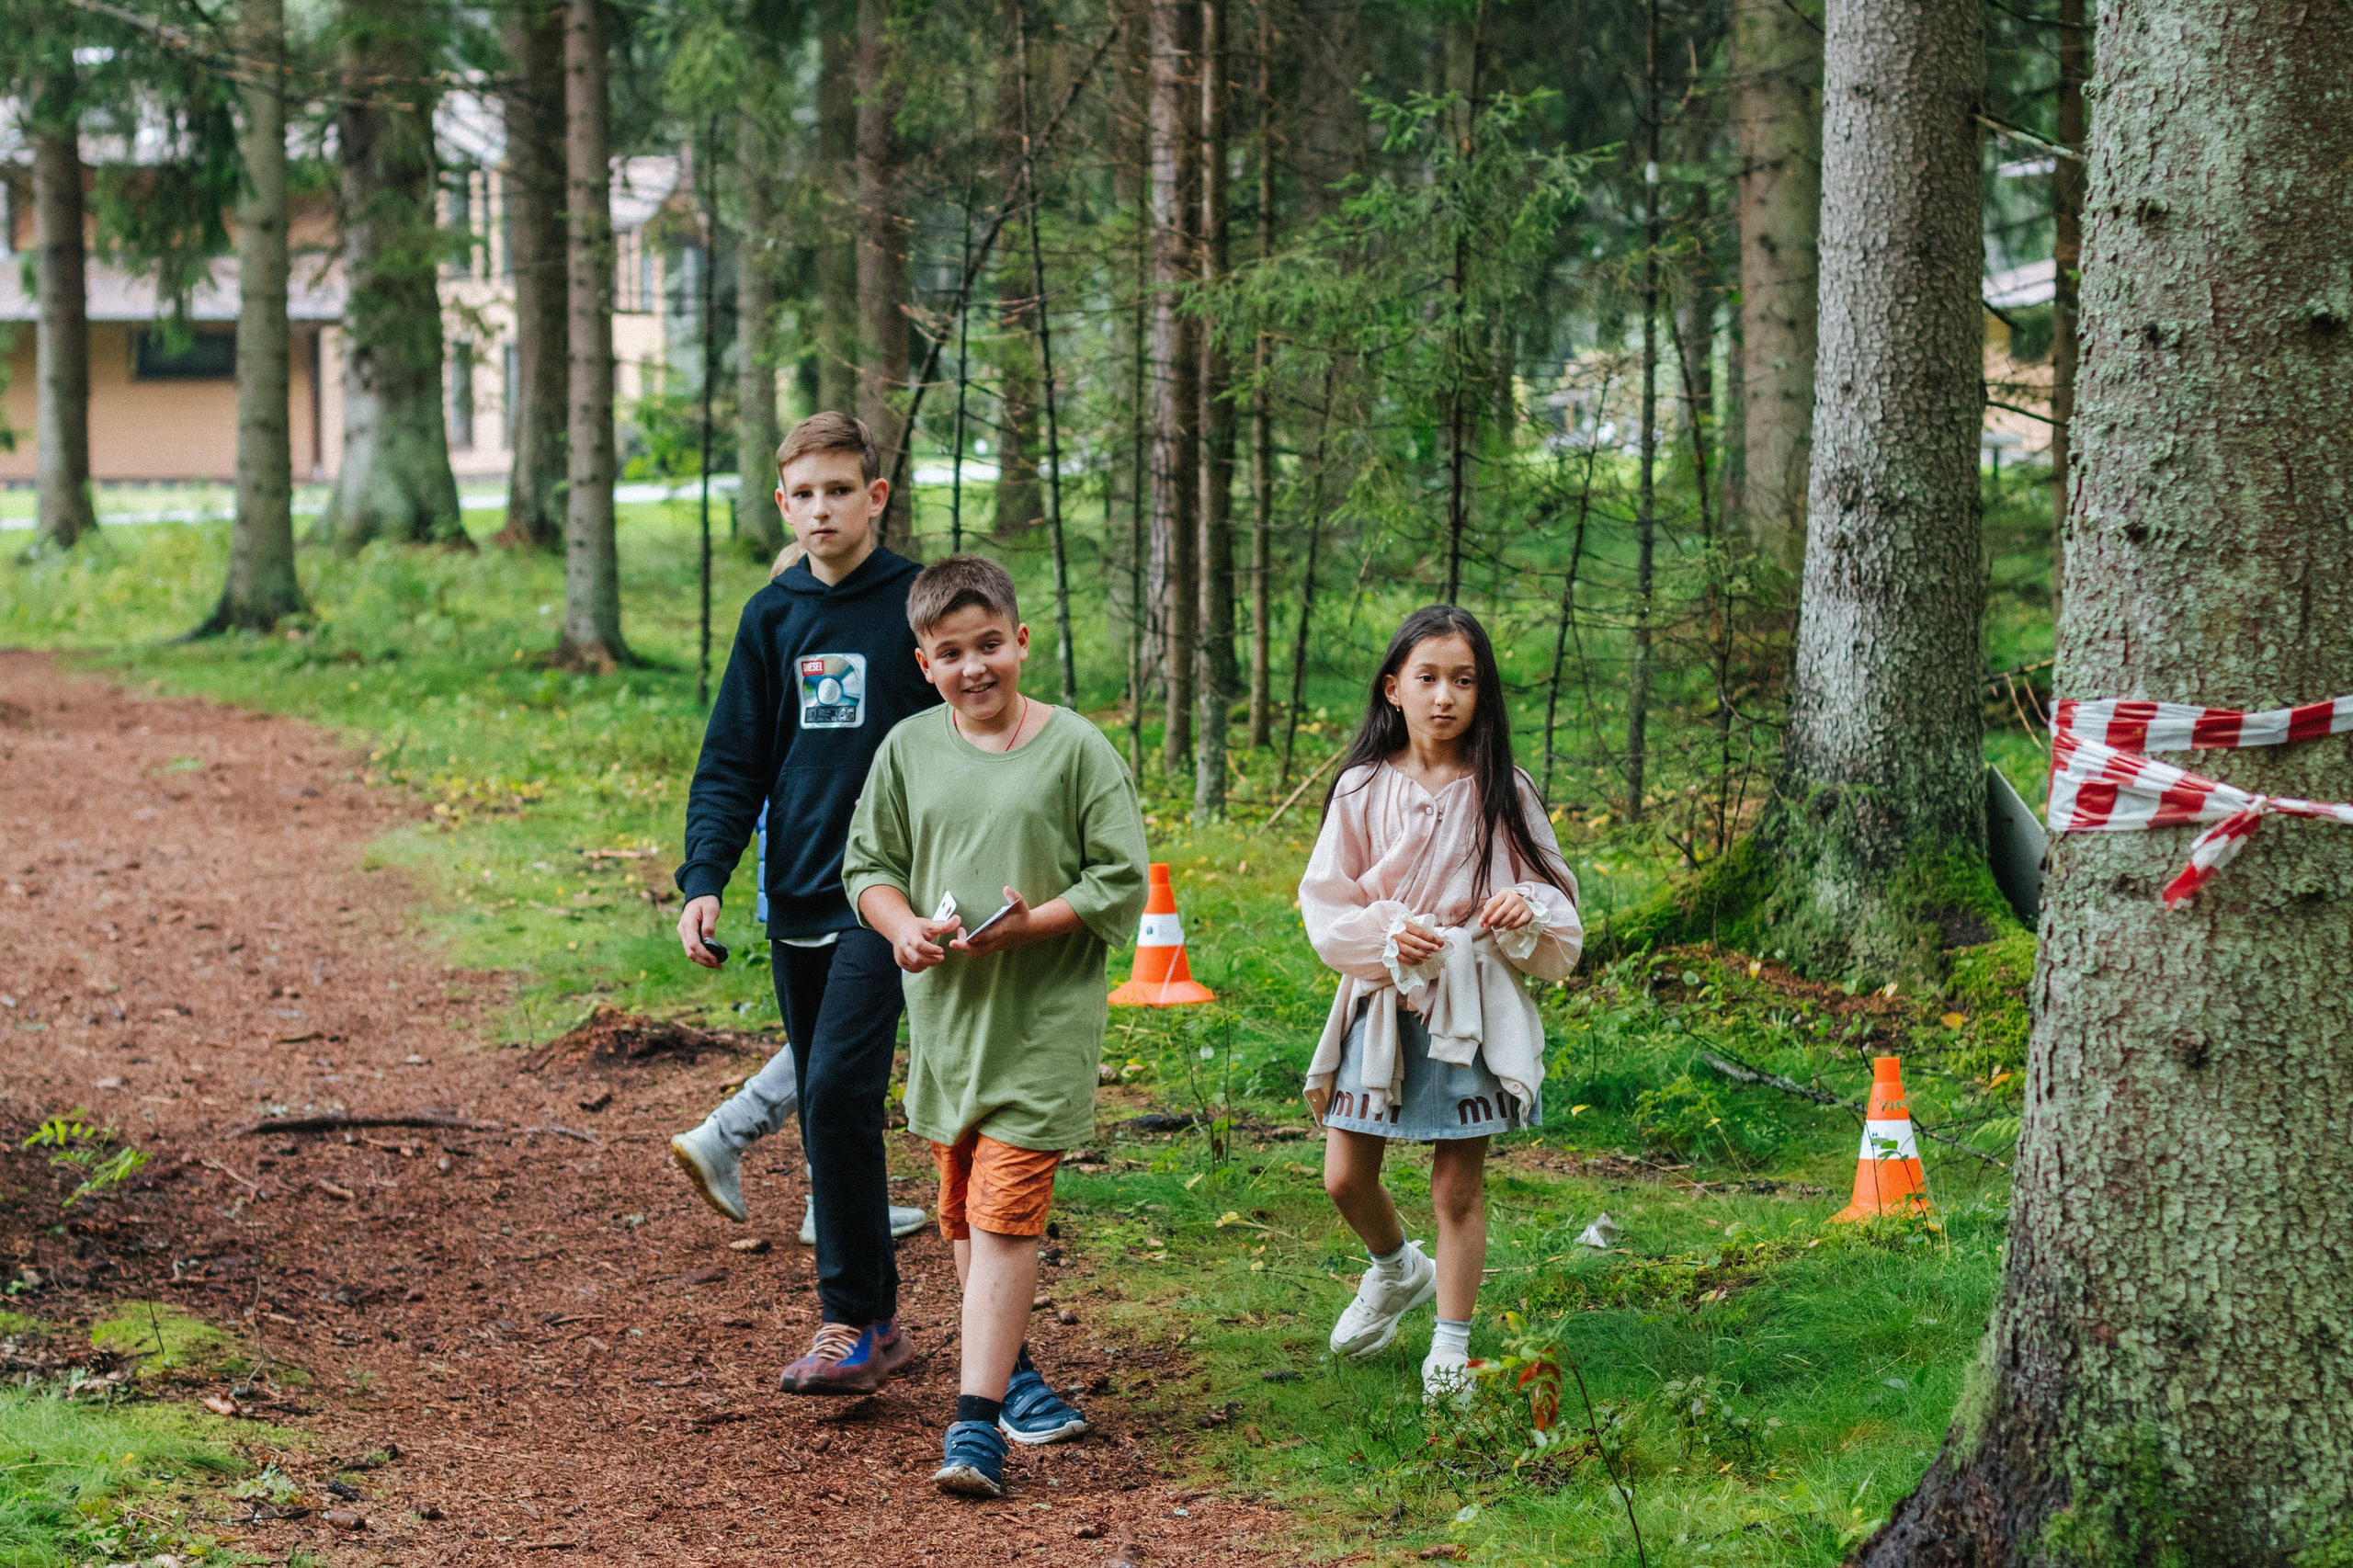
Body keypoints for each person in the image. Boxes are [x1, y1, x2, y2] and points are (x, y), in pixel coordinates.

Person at [843, 553, 1150, 1496]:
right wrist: (903, 933)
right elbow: (869, 867)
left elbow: (1120, 878)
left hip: (1042, 1024)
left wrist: (1033, 922)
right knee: (962, 1208)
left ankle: (972, 1425)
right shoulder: (906, 748)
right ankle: (1010, 1368)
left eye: (989, 646)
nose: (974, 667)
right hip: (947, 1026)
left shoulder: (1076, 748)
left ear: (1019, 641)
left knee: (1007, 1213)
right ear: (923, 662)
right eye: (950, 653)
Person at [667, 412, 932, 1397]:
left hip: (890, 896)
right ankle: (883, 1319)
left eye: (840, 488)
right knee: (835, 1114)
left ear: (875, 496)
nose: (822, 507)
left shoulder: (915, 605)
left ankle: (846, 1321)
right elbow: (731, 761)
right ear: (783, 503)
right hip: (795, 896)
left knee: (833, 1094)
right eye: (804, 493)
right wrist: (705, 878)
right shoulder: (771, 615)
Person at [1297, 605, 1583, 1406]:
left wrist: (1524, 909)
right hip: (1384, 1005)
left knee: (1457, 1186)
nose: (1445, 696)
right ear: (1394, 689)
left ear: (1482, 694)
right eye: (1427, 678)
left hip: (1470, 1008)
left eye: (1464, 680)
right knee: (1345, 1176)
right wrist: (1388, 938)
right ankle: (1396, 1271)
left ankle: (1450, 1347)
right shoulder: (1360, 788)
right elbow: (1326, 905)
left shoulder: (1502, 789)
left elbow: (1557, 901)